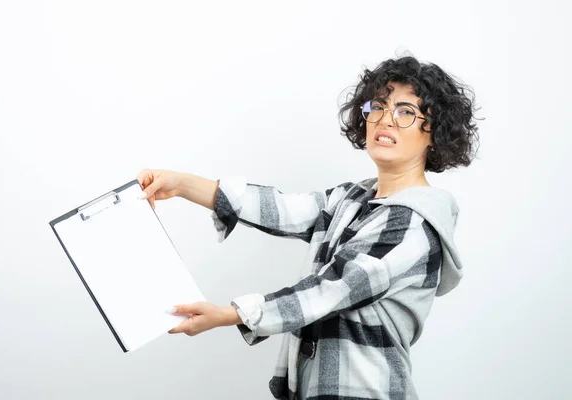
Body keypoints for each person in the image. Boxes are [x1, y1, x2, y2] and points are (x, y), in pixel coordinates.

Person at [137, 55, 479, 400]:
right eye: (378, 106)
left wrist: (230, 314)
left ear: (434, 133)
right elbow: (282, 210)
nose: (385, 120)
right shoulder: (351, 199)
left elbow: (331, 289)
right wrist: (181, 185)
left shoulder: (413, 222)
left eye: (405, 112)